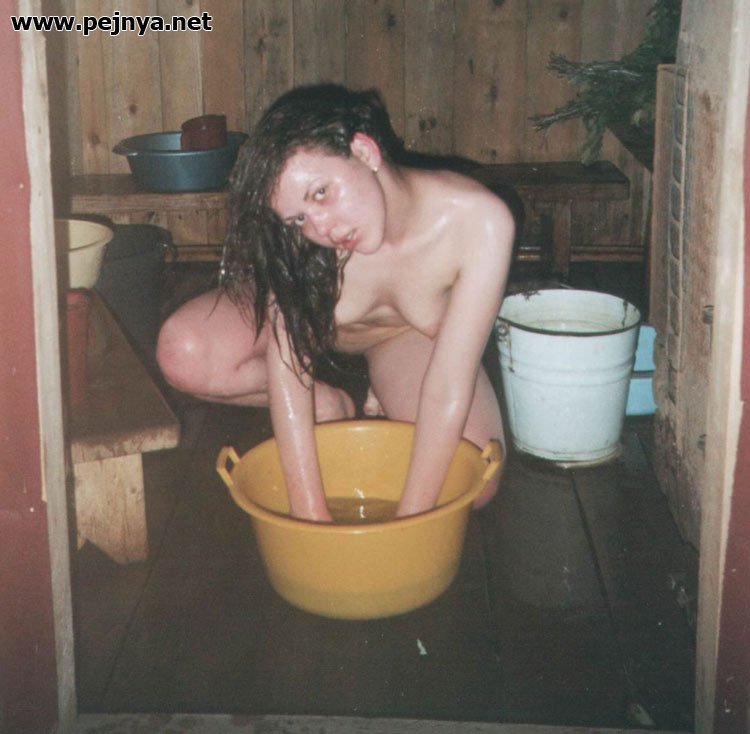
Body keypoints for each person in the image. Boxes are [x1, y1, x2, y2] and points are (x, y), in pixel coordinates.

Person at [156, 84, 514, 522]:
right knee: (183, 352)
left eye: (321, 192)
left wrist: (411, 520)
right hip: (302, 322)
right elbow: (289, 370)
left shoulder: (481, 221)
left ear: (364, 151)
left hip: (402, 339)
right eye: (298, 219)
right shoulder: (306, 244)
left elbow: (448, 385)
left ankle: (380, 393)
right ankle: (328, 405)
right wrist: (309, 514)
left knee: (471, 479)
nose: (321, 229)